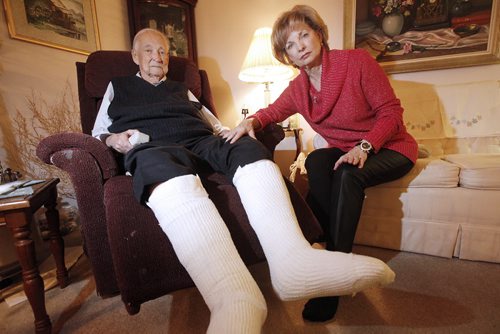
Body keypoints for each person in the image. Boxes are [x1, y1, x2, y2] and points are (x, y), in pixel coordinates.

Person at [92, 28, 396, 333]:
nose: (157, 57)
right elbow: (98, 134)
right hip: (153, 147)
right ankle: (233, 297)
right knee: (154, 163)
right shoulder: (117, 87)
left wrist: (235, 133)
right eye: (148, 51)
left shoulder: (180, 89)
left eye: (163, 52)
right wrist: (113, 140)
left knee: (245, 145)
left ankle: (292, 262)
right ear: (134, 56)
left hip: (199, 141)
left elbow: (213, 123)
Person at [225, 5, 418, 323]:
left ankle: (335, 277)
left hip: (390, 146)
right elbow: (273, 111)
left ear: (319, 34)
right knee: (316, 160)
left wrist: (365, 147)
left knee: (346, 175)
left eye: (304, 34)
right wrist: (252, 122)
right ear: (286, 54)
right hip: (347, 149)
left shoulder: (356, 62)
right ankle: (325, 245)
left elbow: (391, 113)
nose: (299, 45)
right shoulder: (299, 88)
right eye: (290, 44)